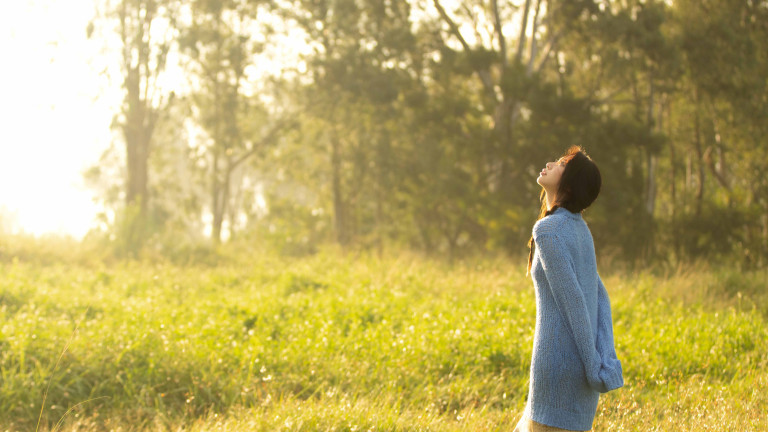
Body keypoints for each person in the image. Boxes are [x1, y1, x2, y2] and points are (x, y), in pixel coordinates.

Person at [514, 146, 624, 432]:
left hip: (559, 372)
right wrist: (598, 361)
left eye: (562, 164)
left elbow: (574, 303)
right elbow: (600, 298)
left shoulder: (548, 230)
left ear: (571, 185)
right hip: (579, 374)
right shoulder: (580, 230)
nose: (550, 163)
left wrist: (593, 365)